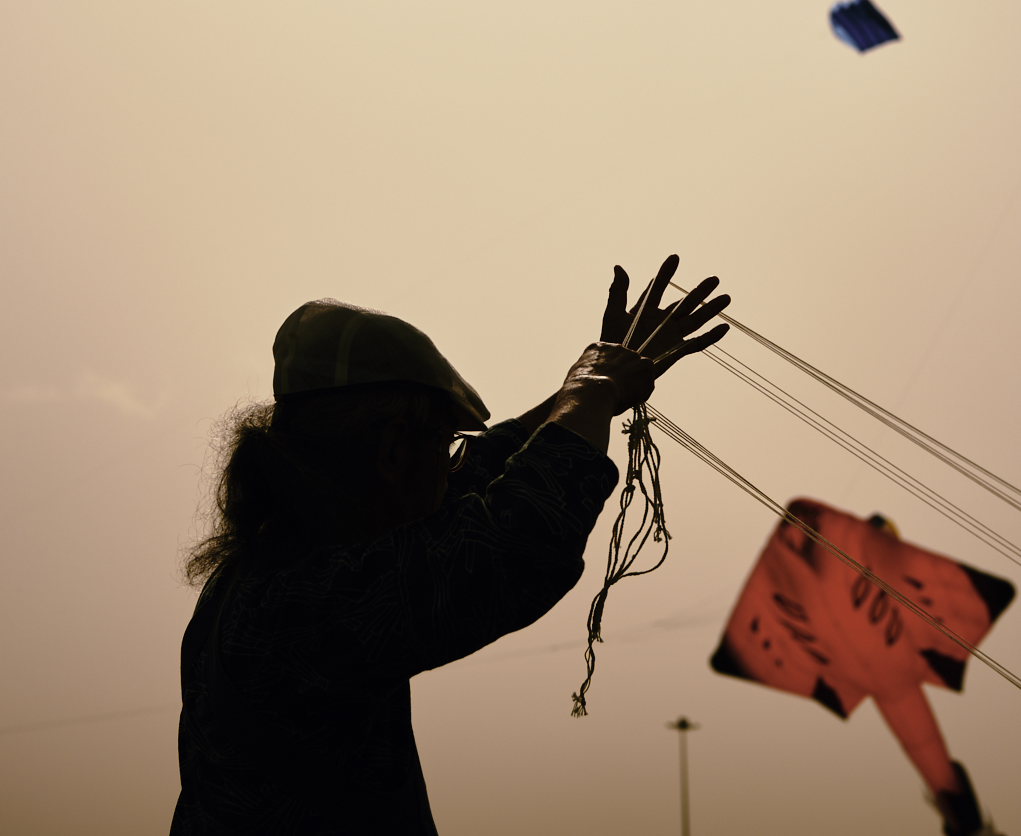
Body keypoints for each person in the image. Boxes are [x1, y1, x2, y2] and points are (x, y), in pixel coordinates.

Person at [170, 255, 730, 835]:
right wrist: (589, 395)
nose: (453, 464)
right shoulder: (294, 611)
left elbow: (476, 479)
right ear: (394, 450)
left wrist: (588, 390)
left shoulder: (269, 574)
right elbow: (509, 542)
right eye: (446, 441)